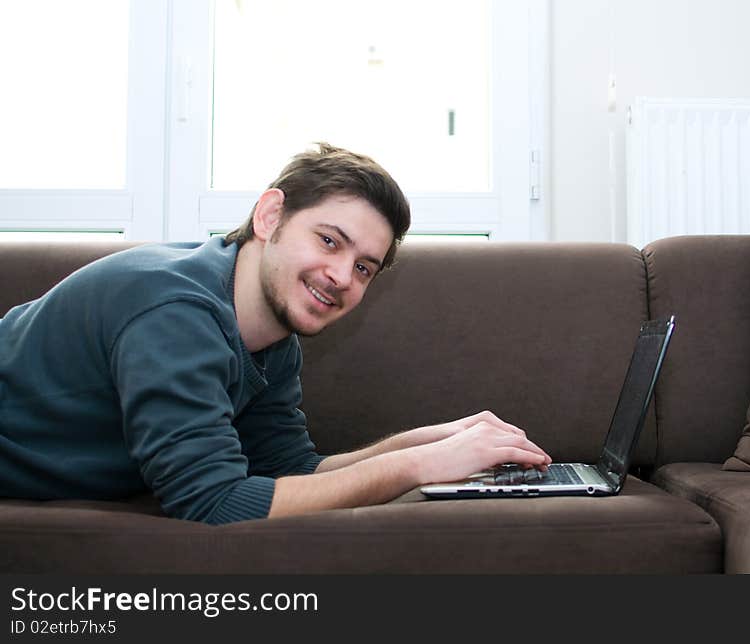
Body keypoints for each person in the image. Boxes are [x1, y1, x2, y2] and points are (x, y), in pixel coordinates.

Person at [0, 143, 551, 524]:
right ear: (269, 216)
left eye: (364, 267)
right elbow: (216, 504)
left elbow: (291, 473)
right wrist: (419, 467)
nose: (341, 277)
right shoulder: (175, 311)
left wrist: (437, 440)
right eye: (330, 241)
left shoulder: (273, 339)